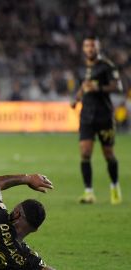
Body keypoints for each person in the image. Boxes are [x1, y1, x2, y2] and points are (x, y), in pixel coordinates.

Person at [71, 36, 124, 204]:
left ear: (98, 48)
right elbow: (83, 86)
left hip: (104, 116)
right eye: (87, 46)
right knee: (85, 153)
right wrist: (76, 99)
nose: (89, 49)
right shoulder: (81, 68)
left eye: (92, 46)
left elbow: (118, 86)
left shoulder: (107, 66)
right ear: (83, 48)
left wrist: (99, 87)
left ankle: (115, 187)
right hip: (86, 115)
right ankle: (89, 193)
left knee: (108, 154)